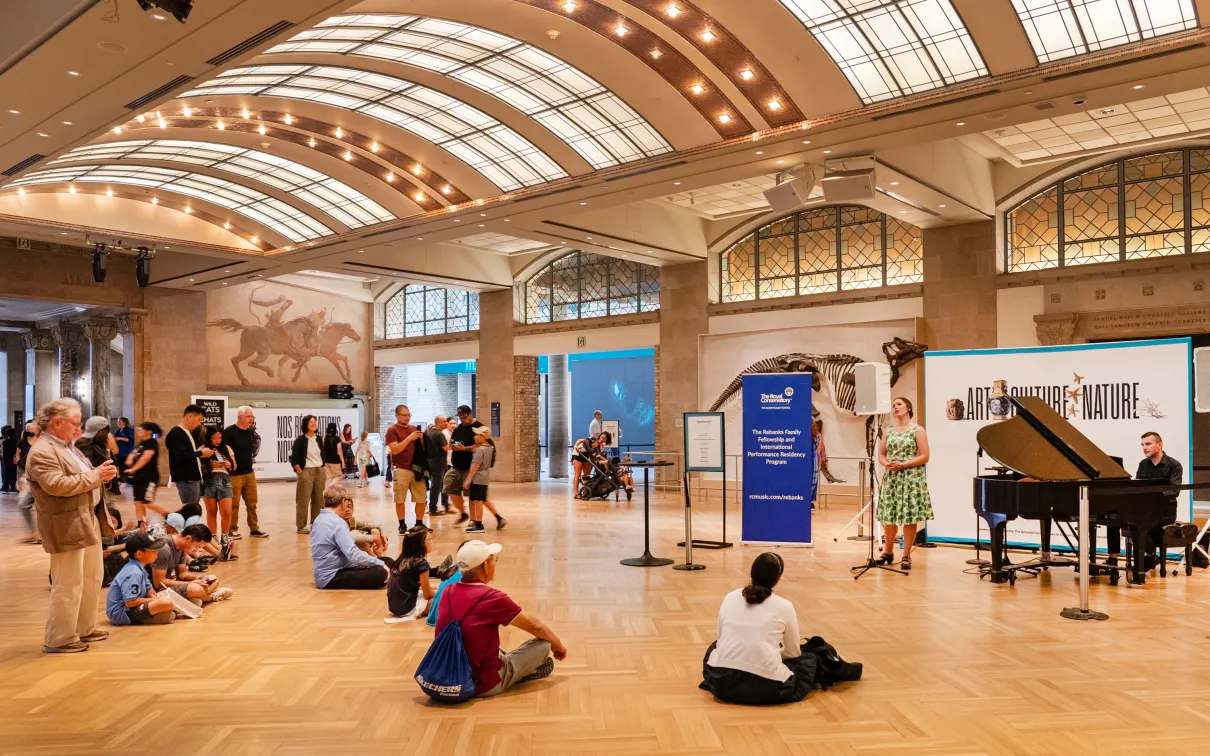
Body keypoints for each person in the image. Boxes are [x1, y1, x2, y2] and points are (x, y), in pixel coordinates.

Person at [26, 397, 119, 653]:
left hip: (86, 519)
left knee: (91, 577)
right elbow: (57, 485)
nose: (78, 429)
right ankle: (60, 637)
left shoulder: (69, 447)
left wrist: (102, 475)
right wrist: (95, 475)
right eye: (74, 423)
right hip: (64, 523)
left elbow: (83, 477)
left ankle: (84, 628)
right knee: (68, 582)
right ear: (57, 422)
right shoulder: (42, 451)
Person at [434, 540, 567, 697]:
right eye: (492, 559)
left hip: (445, 675)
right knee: (544, 644)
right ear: (484, 566)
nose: (494, 564)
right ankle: (518, 674)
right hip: (482, 683)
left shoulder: (447, 591)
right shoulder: (491, 597)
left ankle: (521, 669)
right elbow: (534, 626)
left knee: (488, 646)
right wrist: (557, 643)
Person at [700, 553, 814, 705]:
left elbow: (720, 641)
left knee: (713, 647)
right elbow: (793, 652)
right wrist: (772, 652)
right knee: (807, 658)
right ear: (778, 580)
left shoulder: (730, 597)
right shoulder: (785, 606)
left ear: (751, 573)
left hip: (723, 684)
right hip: (768, 688)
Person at [876, 397, 932, 571]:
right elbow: (881, 454)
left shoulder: (918, 429)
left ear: (908, 408)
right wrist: (886, 464)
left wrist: (904, 464)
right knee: (889, 515)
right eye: (893, 405)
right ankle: (888, 552)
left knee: (909, 517)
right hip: (892, 476)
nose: (895, 407)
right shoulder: (888, 430)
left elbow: (925, 456)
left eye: (899, 404)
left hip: (910, 477)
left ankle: (906, 555)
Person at [309, 486, 387, 589]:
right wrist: (379, 563)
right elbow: (353, 554)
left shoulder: (319, 519)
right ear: (342, 502)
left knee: (387, 561)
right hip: (332, 577)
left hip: (336, 570)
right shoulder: (337, 522)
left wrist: (377, 561)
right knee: (381, 572)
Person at [105, 531, 176, 627]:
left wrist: (153, 598)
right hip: (122, 614)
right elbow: (130, 602)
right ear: (139, 554)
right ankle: (151, 617)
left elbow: (150, 590)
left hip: (133, 607)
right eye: (153, 550)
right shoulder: (133, 572)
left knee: (166, 595)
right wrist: (154, 601)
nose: (157, 552)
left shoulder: (139, 568)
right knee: (165, 602)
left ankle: (158, 613)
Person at [151, 523, 232, 604]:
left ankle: (195, 597)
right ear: (188, 539)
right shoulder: (163, 548)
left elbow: (182, 574)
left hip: (168, 586)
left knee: (213, 579)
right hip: (155, 591)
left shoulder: (182, 547)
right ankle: (210, 597)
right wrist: (191, 583)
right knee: (195, 589)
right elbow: (159, 583)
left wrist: (199, 578)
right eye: (197, 547)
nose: (196, 551)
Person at [1136, 431, 1183, 569]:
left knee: (1142, 526)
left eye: (1148, 444)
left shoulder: (1174, 465)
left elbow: (1174, 491)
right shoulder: (1143, 464)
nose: (1144, 447)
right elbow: (1139, 487)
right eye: (1142, 445)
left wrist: (1152, 495)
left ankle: (1149, 558)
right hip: (1146, 510)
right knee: (1131, 522)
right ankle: (1150, 555)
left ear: (1160, 445)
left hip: (1165, 511)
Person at [385, 405, 429, 534]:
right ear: (397, 415)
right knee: (400, 499)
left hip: (416, 469)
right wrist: (409, 438)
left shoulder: (414, 428)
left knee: (421, 498)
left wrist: (422, 439)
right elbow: (395, 449)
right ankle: (402, 524)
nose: (407, 417)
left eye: (409, 415)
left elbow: (422, 449)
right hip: (401, 469)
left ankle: (419, 523)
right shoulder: (392, 431)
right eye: (404, 415)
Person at [223, 406, 266, 539]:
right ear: (239, 417)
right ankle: (232, 529)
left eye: (252, 417)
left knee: (252, 502)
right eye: (248, 416)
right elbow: (223, 449)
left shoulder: (251, 432)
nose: (250, 419)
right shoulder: (229, 432)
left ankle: (254, 528)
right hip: (234, 474)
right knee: (234, 503)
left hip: (249, 472)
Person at [165, 405, 213, 510]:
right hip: (187, 478)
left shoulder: (187, 432)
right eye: (198, 420)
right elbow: (180, 456)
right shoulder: (177, 434)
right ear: (190, 416)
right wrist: (200, 453)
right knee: (191, 510)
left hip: (192, 477)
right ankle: (191, 526)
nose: (199, 424)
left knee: (194, 508)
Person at [200, 427, 237, 561]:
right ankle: (214, 536)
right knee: (211, 511)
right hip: (209, 481)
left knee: (226, 511)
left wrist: (228, 464)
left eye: (219, 438)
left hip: (225, 480)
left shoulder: (227, 448)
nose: (217, 440)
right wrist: (211, 465)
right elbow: (199, 466)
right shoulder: (203, 449)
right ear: (209, 438)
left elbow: (234, 466)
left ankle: (225, 536)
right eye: (214, 438)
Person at [387, 525, 436, 618]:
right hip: (408, 609)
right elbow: (427, 595)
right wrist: (441, 591)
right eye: (429, 539)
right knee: (446, 598)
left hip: (395, 607)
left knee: (436, 590)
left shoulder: (400, 560)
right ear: (421, 543)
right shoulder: (422, 563)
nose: (431, 542)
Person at [463, 426, 505, 533]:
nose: (474, 437)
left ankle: (478, 525)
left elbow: (476, 465)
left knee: (477, 501)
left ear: (483, 436)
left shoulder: (480, 450)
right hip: (484, 477)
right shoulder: (489, 448)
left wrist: (468, 479)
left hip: (478, 478)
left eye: (477, 435)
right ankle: (498, 518)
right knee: (482, 499)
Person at [290, 415, 326, 534]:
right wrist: (300, 472)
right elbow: (294, 458)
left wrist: (323, 466)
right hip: (306, 471)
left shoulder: (319, 439)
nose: (314, 424)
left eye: (315, 422)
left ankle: (316, 524)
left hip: (319, 470)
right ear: (306, 424)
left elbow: (322, 454)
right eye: (311, 422)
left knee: (319, 499)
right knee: (303, 499)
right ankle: (301, 526)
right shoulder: (301, 440)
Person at [443, 405, 479, 524]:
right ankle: (463, 513)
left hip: (470, 467)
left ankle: (474, 520)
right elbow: (452, 440)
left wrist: (464, 449)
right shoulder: (459, 428)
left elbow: (479, 446)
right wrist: (453, 445)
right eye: (460, 417)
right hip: (456, 466)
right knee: (449, 486)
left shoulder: (478, 427)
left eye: (464, 417)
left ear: (470, 414)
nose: (462, 419)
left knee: (472, 495)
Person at [125, 421, 164, 527]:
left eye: (141, 428)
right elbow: (134, 452)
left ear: (148, 431)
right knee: (138, 502)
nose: (138, 430)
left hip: (149, 478)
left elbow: (146, 458)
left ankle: (168, 517)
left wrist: (133, 468)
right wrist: (129, 458)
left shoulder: (152, 442)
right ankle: (141, 524)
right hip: (139, 478)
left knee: (147, 502)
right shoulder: (142, 442)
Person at [15, 420, 40, 543]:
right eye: (29, 427)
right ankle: (33, 532)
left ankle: (40, 533)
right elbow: (18, 458)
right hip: (27, 476)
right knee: (23, 504)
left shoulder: (43, 442)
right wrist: (20, 479)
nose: (31, 429)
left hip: (41, 478)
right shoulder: (23, 442)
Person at [425, 416, 450, 515]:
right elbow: (445, 448)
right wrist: (452, 445)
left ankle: (434, 506)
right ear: (438, 423)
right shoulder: (439, 434)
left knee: (436, 485)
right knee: (436, 486)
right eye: (444, 422)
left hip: (432, 462)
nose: (446, 423)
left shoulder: (431, 432)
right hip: (438, 463)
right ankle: (433, 508)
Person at [1, 425, 17, 493]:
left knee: (13, 474)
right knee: (6, 474)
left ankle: (12, 486)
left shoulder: (15, 441)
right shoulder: (5, 442)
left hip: (12, 460)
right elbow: (4, 452)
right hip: (7, 460)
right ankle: (6, 487)